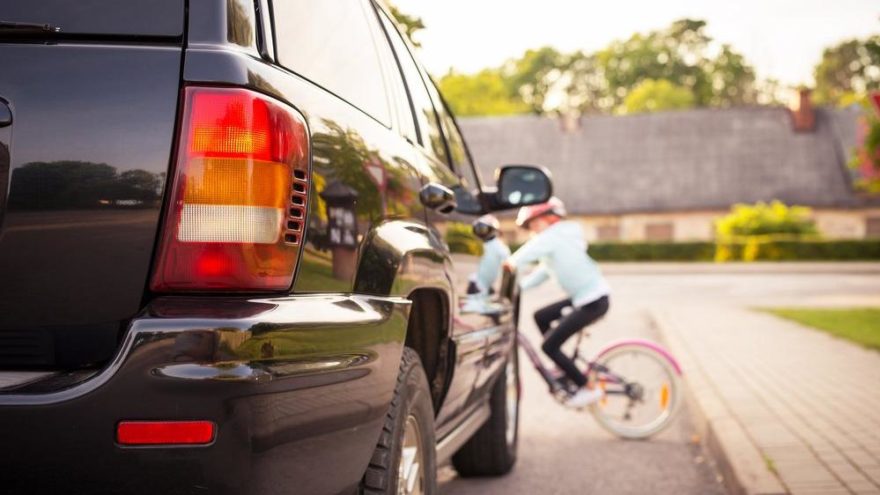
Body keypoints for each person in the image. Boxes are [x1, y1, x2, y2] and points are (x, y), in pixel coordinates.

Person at [504, 197, 610, 408]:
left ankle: (587, 387)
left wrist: (510, 262)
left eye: (535, 223)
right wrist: (519, 287)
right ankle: (563, 364)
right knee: (540, 316)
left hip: (593, 301)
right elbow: (543, 272)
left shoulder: (556, 234)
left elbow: (531, 249)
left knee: (549, 346)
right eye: (530, 226)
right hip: (584, 298)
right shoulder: (559, 239)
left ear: (551, 218)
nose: (533, 229)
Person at [467, 215, 510, 297]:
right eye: (478, 229)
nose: (480, 232)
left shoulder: (499, 247)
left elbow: (507, 267)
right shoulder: (484, 245)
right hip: (478, 284)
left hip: (490, 288)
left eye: (483, 229)